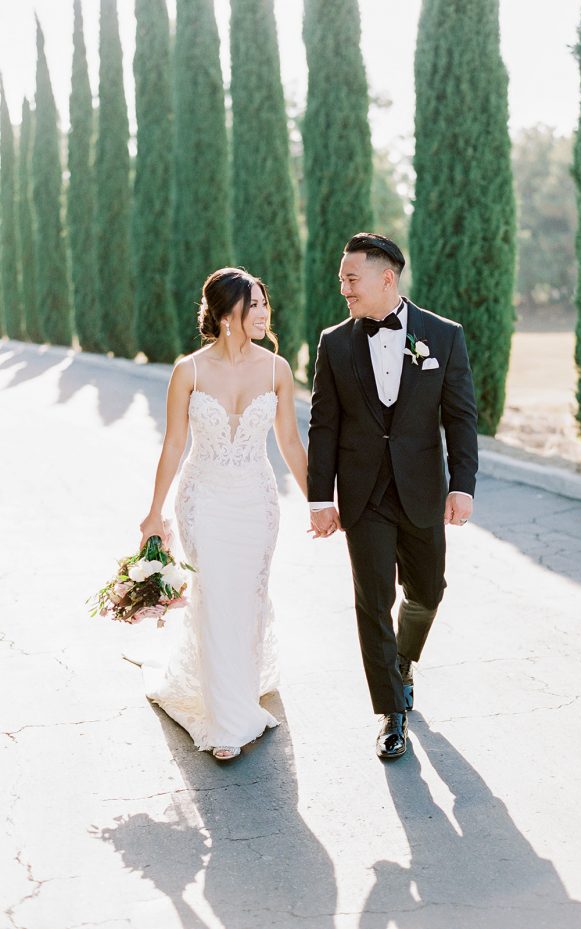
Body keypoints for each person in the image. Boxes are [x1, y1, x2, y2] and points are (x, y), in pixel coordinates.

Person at [307, 233, 478, 760]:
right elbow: (324, 425)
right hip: (364, 499)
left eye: (351, 279)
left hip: (423, 488)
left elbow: (460, 416)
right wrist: (320, 498)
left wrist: (463, 485)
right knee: (372, 602)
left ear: (387, 277)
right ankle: (391, 711)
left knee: (428, 590)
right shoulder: (334, 342)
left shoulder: (443, 337)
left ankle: (403, 658)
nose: (344, 290)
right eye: (341, 280)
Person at [137, 268, 308, 760]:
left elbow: (291, 443)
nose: (263, 313)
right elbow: (173, 444)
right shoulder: (188, 371)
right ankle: (226, 721)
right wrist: (153, 513)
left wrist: (320, 502)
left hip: (256, 501)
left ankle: (239, 685)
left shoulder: (276, 368)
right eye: (253, 305)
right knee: (214, 594)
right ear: (226, 312)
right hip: (203, 500)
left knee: (247, 595)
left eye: (264, 304)